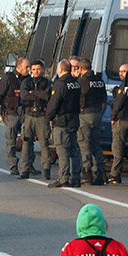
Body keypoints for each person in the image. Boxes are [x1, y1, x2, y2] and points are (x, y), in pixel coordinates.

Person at [46, 59, 82, 189]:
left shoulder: (60, 84)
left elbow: (54, 103)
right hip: (74, 119)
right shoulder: (76, 83)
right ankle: (76, 177)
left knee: (62, 151)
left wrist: (49, 116)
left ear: (60, 70)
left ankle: (63, 178)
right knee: (74, 150)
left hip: (62, 121)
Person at [19, 59, 52, 180]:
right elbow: (24, 97)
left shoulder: (47, 82)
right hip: (29, 115)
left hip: (42, 116)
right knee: (26, 143)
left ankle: (46, 170)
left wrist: (33, 92)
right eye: (33, 69)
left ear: (42, 70)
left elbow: (47, 96)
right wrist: (38, 94)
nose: (36, 72)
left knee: (44, 144)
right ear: (30, 70)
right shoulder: (26, 82)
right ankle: (24, 170)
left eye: (38, 69)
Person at [0, 57, 29, 175]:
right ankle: (13, 164)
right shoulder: (8, 79)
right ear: (19, 67)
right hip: (11, 113)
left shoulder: (28, 80)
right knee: (11, 140)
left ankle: (28, 165)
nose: (28, 70)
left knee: (27, 139)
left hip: (25, 113)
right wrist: (7, 106)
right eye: (26, 67)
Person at [77, 58, 107, 185]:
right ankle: (99, 172)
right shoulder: (99, 81)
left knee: (84, 144)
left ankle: (86, 172)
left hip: (84, 114)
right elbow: (104, 98)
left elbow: (78, 98)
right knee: (96, 144)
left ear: (81, 69)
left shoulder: (82, 81)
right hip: (97, 114)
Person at [108, 64, 128, 184]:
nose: (121, 73)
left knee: (117, 147)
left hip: (122, 119)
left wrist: (113, 116)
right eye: (120, 71)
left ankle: (114, 174)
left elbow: (119, 103)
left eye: (124, 71)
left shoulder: (125, 86)